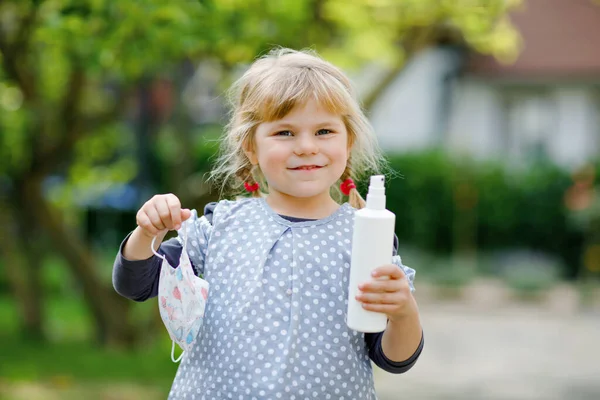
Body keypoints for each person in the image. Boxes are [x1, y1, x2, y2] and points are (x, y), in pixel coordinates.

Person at [113, 48, 423, 400]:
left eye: (324, 131)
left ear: (348, 141)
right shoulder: (219, 229)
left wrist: (403, 313)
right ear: (251, 147)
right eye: (285, 133)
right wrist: (147, 232)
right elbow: (135, 283)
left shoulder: (367, 238)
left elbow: (394, 358)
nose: (306, 146)